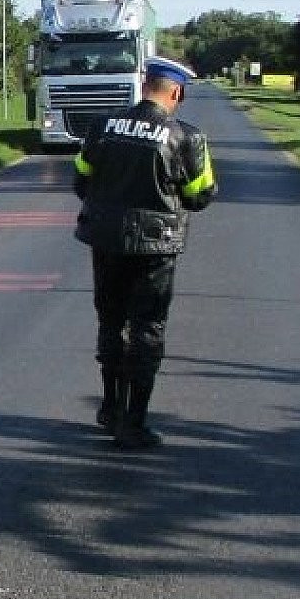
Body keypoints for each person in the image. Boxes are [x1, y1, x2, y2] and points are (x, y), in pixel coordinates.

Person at [73, 55, 218, 450]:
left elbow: (81, 181)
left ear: (144, 86)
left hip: (105, 240)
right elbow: (200, 197)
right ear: (174, 91)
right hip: (155, 247)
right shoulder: (186, 138)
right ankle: (133, 423)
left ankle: (109, 408)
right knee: (147, 329)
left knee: (110, 320)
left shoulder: (102, 127)